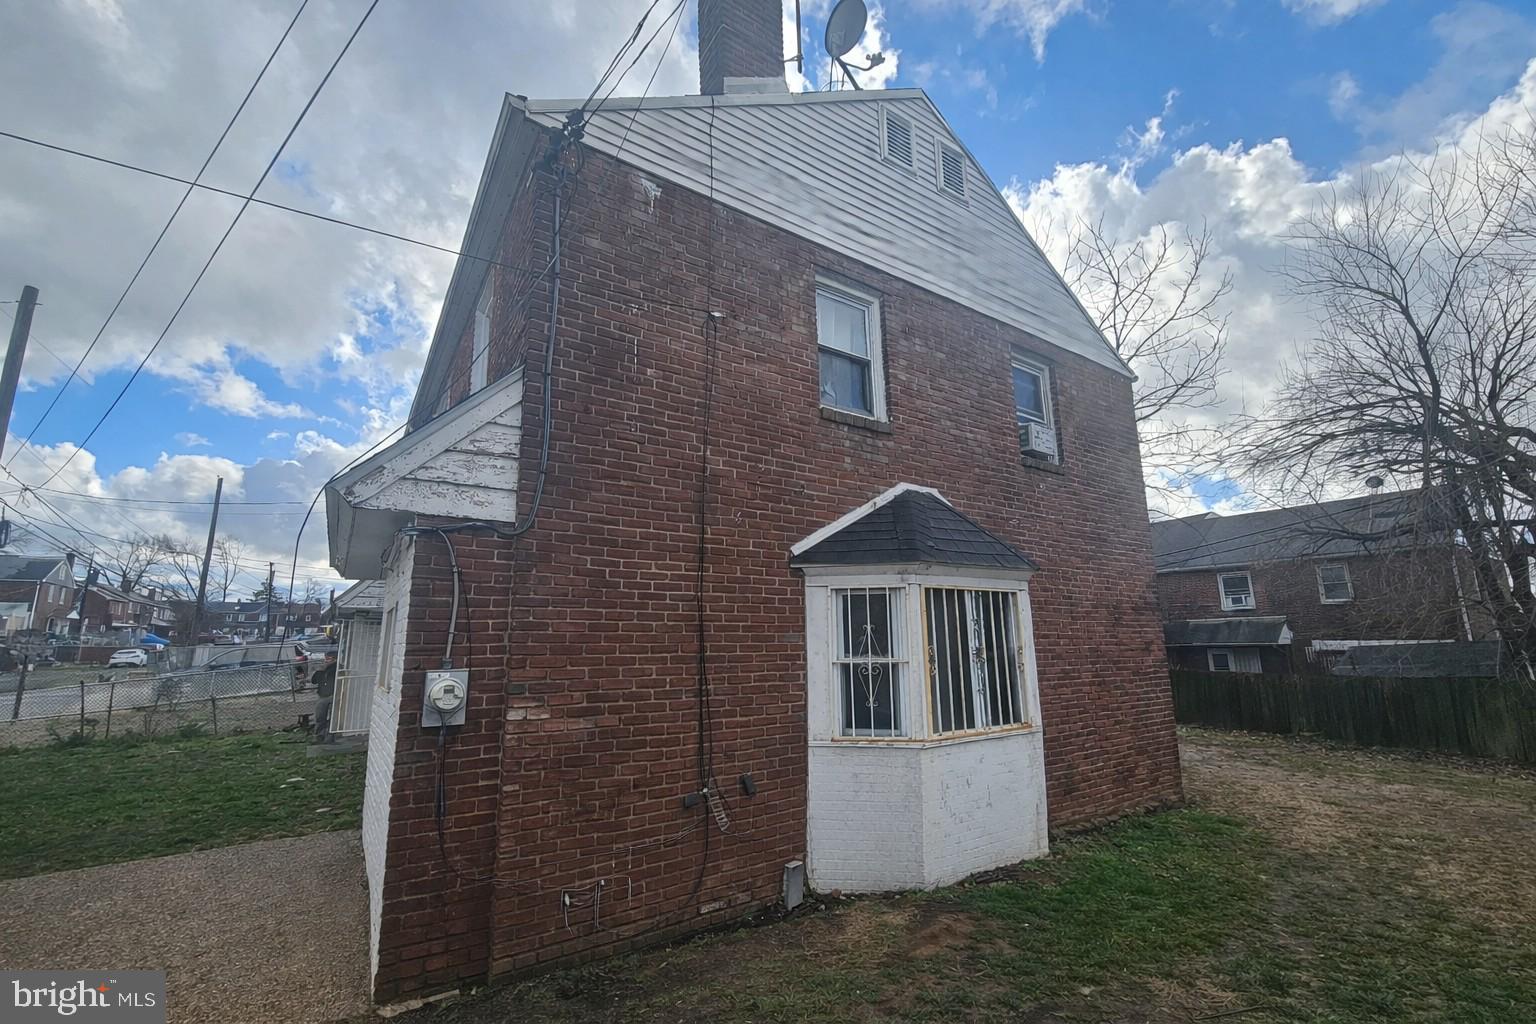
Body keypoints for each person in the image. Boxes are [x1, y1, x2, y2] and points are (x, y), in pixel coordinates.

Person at [311, 650, 338, 744]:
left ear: (335, 659)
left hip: (333, 695)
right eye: (325, 659)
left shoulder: (337, 668)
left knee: (332, 717)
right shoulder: (322, 670)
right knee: (320, 716)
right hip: (322, 695)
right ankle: (319, 736)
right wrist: (319, 671)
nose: (326, 661)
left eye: (328, 659)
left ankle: (330, 737)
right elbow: (314, 681)